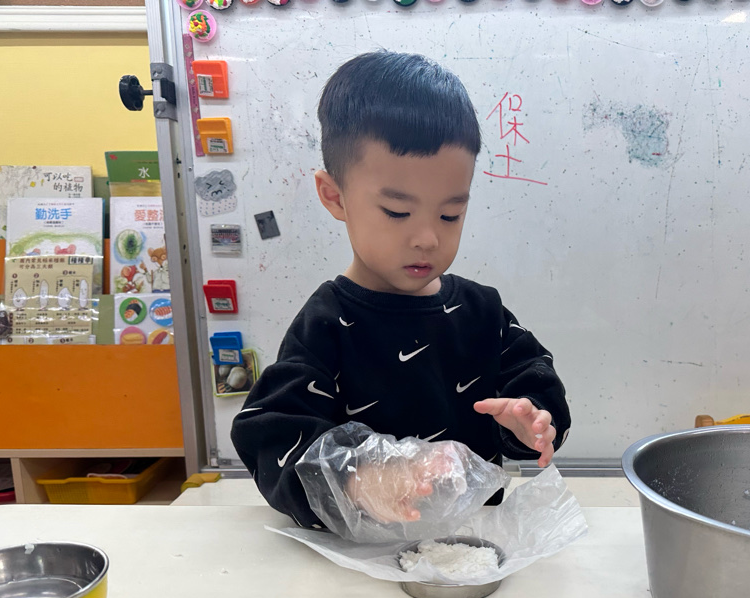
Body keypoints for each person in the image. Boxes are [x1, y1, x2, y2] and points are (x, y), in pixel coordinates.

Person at [231, 50, 570, 529]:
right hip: (361, 554)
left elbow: (534, 386)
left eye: (450, 214)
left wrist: (529, 423)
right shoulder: (326, 324)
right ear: (334, 196)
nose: (427, 238)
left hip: (473, 546)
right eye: (397, 212)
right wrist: (358, 479)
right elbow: (271, 435)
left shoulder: (482, 312)